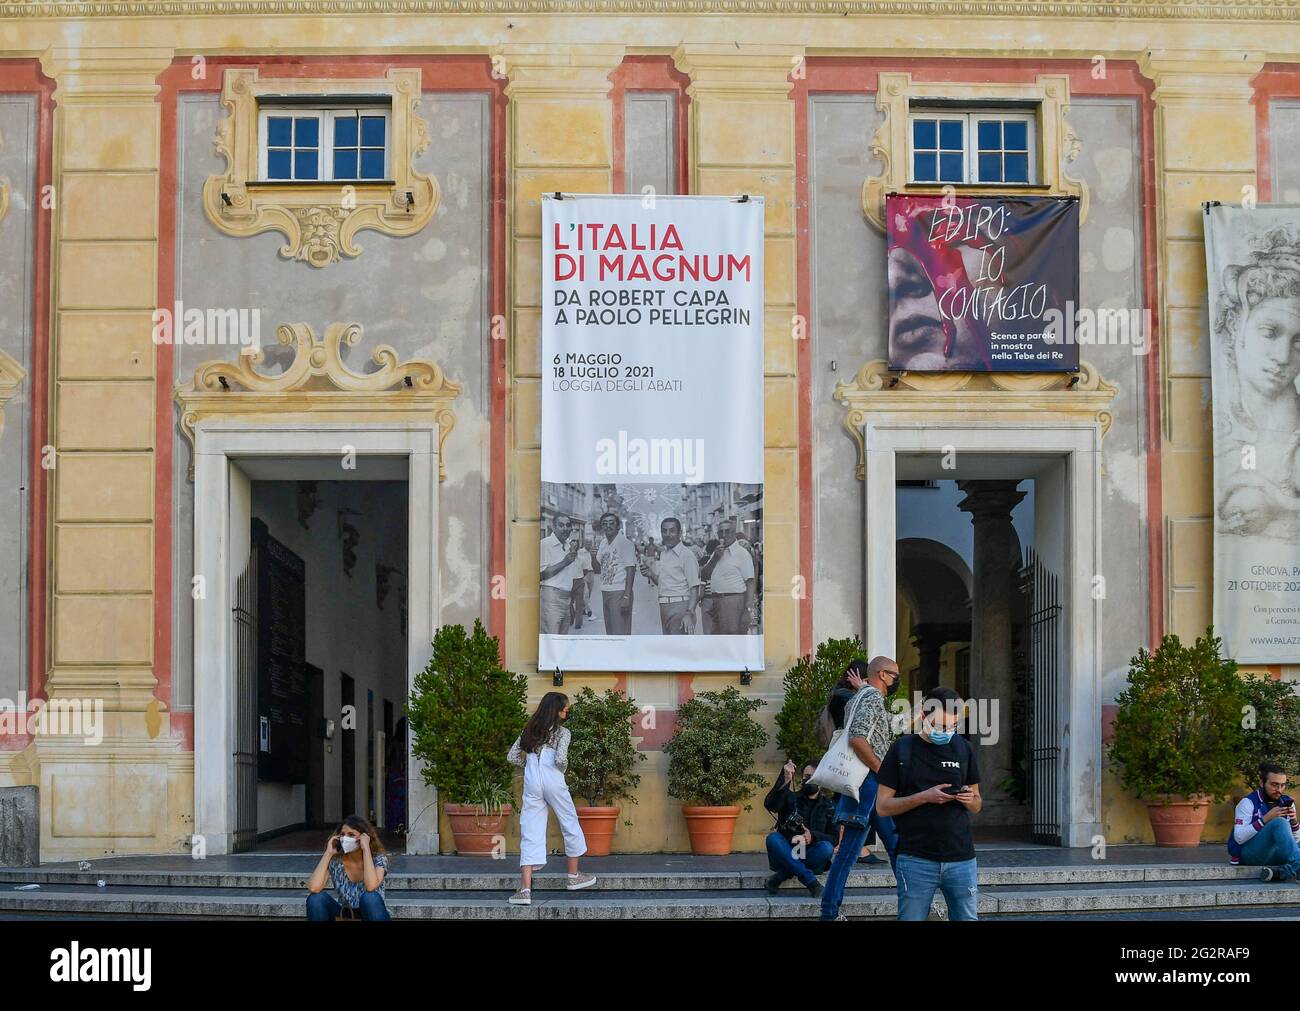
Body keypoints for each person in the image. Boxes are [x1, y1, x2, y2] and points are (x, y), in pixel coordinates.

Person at [876, 686, 983, 921]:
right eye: (940, 726)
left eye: (953, 726)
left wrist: (969, 799)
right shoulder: (902, 750)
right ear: (924, 716)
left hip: (961, 858)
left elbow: (977, 804)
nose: (946, 732)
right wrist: (924, 797)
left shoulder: (963, 748)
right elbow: (882, 807)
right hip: (916, 859)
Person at [818, 656, 902, 921]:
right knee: (849, 853)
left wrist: (917, 715)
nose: (896, 679)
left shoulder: (862, 697)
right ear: (881, 674)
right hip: (867, 785)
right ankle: (828, 913)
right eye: (894, 674)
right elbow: (857, 739)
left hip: (867, 787)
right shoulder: (872, 697)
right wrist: (881, 769)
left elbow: (884, 729)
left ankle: (913, 904)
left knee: (895, 846)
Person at [506, 692, 597, 904]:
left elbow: (511, 757)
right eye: (565, 708)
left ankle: (525, 890)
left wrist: (529, 766)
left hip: (532, 780)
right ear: (555, 709)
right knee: (569, 822)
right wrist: (562, 770)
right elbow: (561, 759)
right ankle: (574, 877)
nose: (567, 711)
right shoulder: (563, 733)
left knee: (530, 829)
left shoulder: (528, 730)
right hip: (552, 777)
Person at [763, 759, 835, 896]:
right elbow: (771, 805)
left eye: (813, 777)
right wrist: (785, 779)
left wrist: (812, 836)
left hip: (812, 855)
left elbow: (834, 838)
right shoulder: (790, 798)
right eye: (806, 777)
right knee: (773, 838)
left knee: (827, 847)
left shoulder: (829, 806)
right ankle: (811, 882)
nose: (809, 780)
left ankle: (780, 877)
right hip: (786, 851)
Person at [306, 814, 391, 920]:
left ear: (364, 837)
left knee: (369, 897)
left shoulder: (378, 859)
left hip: (373, 913)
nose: (345, 838)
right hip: (346, 914)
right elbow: (313, 887)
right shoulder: (336, 860)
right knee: (315, 899)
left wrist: (366, 850)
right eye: (342, 834)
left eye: (351, 835)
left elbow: (371, 886)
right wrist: (328, 853)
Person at [1230, 763, 1300, 882]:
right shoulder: (1247, 803)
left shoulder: (1287, 802)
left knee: (1283, 824)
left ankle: (1282, 873)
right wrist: (1265, 819)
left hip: (1276, 853)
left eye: (1283, 785)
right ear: (1262, 783)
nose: (1279, 790)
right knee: (1280, 823)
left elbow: (1295, 840)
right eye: (1274, 785)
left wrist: (1294, 822)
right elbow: (1239, 838)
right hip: (1251, 854)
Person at [641, 517, 702, 634]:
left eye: (672, 531)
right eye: (664, 531)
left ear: (679, 533)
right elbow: (664, 583)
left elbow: (694, 588)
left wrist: (689, 613)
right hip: (664, 607)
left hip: (681, 608)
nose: (668, 534)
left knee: (679, 649)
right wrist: (651, 574)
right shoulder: (664, 554)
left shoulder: (686, 555)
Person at [700, 519, 756, 635]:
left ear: (734, 533)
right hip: (715, 602)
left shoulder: (742, 554)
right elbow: (704, 574)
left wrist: (748, 610)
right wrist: (715, 558)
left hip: (733, 601)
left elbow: (750, 583)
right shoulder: (717, 552)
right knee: (719, 640)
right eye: (721, 532)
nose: (724, 535)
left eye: (727, 531)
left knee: (733, 638)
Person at [590, 512, 637, 635]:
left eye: (612, 523)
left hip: (620, 592)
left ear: (617, 526)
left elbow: (631, 569)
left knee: (620, 633)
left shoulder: (625, 543)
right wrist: (593, 556)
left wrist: (626, 596)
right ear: (602, 526)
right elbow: (597, 568)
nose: (608, 526)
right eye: (605, 523)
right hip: (606, 591)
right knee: (610, 633)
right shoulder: (603, 543)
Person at [539, 514, 579, 635]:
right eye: (561, 525)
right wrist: (564, 562)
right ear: (553, 527)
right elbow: (541, 575)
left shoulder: (567, 546)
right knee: (551, 639)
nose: (565, 528)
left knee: (562, 641)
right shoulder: (545, 544)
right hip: (551, 598)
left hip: (566, 598)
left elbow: (567, 577)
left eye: (568, 525)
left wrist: (570, 603)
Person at [570, 532, 593, 630]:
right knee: (569, 602)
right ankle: (571, 616)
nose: (574, 548)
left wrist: (581, 577)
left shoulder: (581, 559)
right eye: (572, 546)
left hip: (579, 581)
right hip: (569, 582)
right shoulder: (566, 559)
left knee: (579, 603)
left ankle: (578, 623)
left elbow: (585, 569)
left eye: (575, 546)